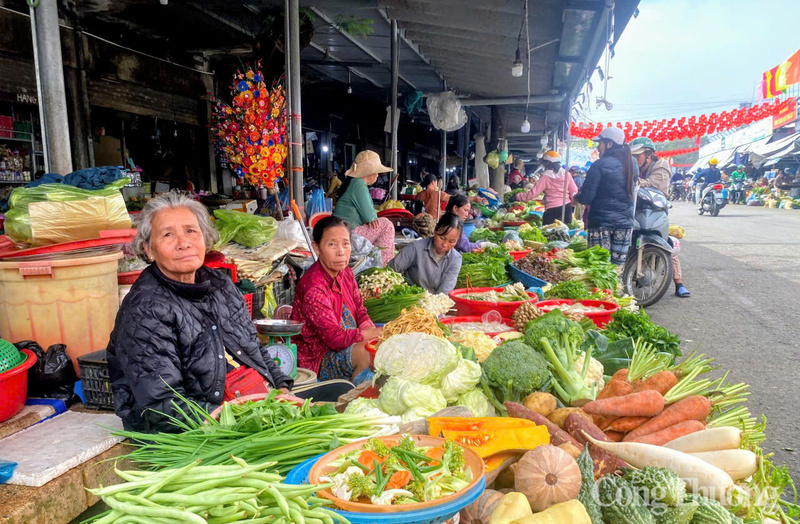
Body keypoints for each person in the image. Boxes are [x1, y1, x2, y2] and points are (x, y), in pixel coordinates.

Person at [106, 194, 292, 433]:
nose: (184, 243)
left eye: (191, 231)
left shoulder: (220, 285)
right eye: (168, 234)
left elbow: (253, 349)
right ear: (148, 249)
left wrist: (282, 388)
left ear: (205, 238)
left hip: (248, 408)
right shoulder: (145, 310)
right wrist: (236, 421)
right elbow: (162, 403)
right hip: (200, 427)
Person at [291, 216, 381, 384]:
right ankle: (353, 398)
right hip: (318, 357)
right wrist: (370, 335)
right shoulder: (313, 287)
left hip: (347, 340)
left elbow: (360, 311)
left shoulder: (345, 272)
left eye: (345, 244)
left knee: (380, 347)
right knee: (365, 355)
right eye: (332, 244)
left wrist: (372, 335)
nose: (341, 251)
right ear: (316, 248)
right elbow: (335, 339)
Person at [629, 138, 691, 298]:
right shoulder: (635, 167)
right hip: (638, 209)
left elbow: (653, 183)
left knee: (666, 244)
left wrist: (631, 181)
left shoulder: (661, 165)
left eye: (639, 155)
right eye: (633, 156)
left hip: (657, 210)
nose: (636, 159)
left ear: (649, 154)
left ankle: (679, 283)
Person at [573, 127, 636, 265]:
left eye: (600, 144)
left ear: (609, 144)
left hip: (601, 224)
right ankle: (617, 287)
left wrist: (576, 198)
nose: (598, 148)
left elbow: (587, 197)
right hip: (624, 224)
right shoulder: (631, 164)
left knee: (599, 267)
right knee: (616, 269)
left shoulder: (599, 165)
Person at [333, 150, 396, 266]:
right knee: (387, 225)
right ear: (369, 171)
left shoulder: (356, 183)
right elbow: (369, 216)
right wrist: (372, 219)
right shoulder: (358, 184)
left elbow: (371, 216)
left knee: (383, 224)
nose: (377, 175)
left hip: (345, 232)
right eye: (376, 172)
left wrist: (373, 219)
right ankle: (384, 265)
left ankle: (376, 260)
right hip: (348, 235)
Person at [389, 212, 463, 294]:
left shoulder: (455, 259)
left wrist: (433, 304)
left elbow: (444, 291)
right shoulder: (415, 248)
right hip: (409, 298)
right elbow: (390, 270)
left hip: (435, 303)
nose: (445, 244)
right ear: (435, 230)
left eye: (451, 241)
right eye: (441, 238)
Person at [515, 151, 578, 225]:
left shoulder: (545, 177)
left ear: (548, 163)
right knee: (565, 233)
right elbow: (574, 191)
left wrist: (517, 196)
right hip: (566, 207)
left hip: (552, 210)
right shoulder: (566, 174)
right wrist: (572, 203)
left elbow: (533, 193)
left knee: (549, 232)